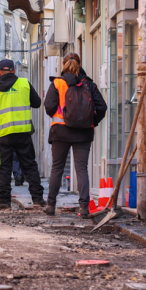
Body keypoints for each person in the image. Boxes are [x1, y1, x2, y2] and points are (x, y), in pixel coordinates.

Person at [42, 53, 107, 218]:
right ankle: (84, 207)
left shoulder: (57, 83)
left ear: (63, 65)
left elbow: (49, 107)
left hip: (61, 132)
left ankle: (50, 205)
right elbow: (102, 107)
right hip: (83, 133)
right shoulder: (88, 84)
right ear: (80, 64)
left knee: (57, 168)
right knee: (81, 169)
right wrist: (91, 121)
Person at [0, 59, 46, 209]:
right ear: (14, 71)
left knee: (4, 167)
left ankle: (4, 201)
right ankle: (38, 199)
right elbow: (37, 103)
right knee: (29, 166)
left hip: (4, 135)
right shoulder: (24, 84)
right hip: (23, 133)